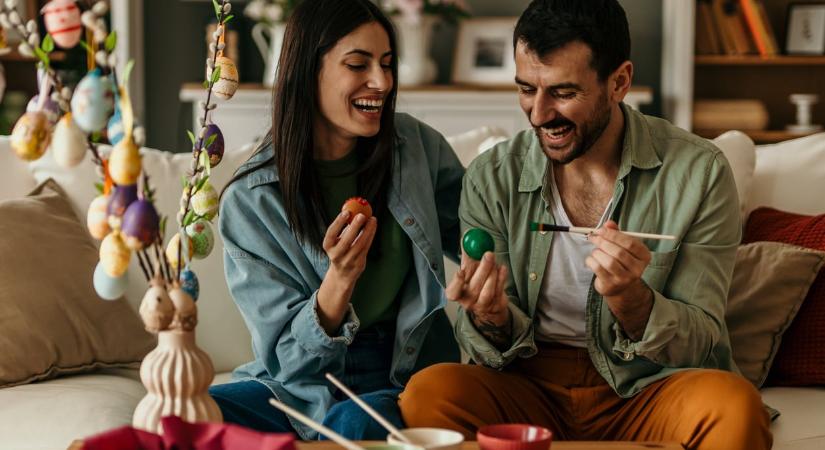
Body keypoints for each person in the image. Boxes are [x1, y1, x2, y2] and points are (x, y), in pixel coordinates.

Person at [398, 1, 772, 449]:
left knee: (735, 407)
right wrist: (492, 316)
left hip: (648, 385)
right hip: (529, 383)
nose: (538, 114)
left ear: (619, 82)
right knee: (429, 395)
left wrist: (633, 300)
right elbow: (489, 344)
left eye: (563, 92)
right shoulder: (491, 176)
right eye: (525, 90)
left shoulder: (699, 172)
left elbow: (702, 341)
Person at [210, 0, 463, 440]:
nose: (381, 82)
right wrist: (340, 279)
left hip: (397, 377)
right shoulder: (251, 200)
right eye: (357, 64)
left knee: (351, 425)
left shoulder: (416, 150)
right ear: (309, 71)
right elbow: (289, 361)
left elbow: (482, 232)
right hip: (299, 386)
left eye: (387, 64)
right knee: (190, 414)